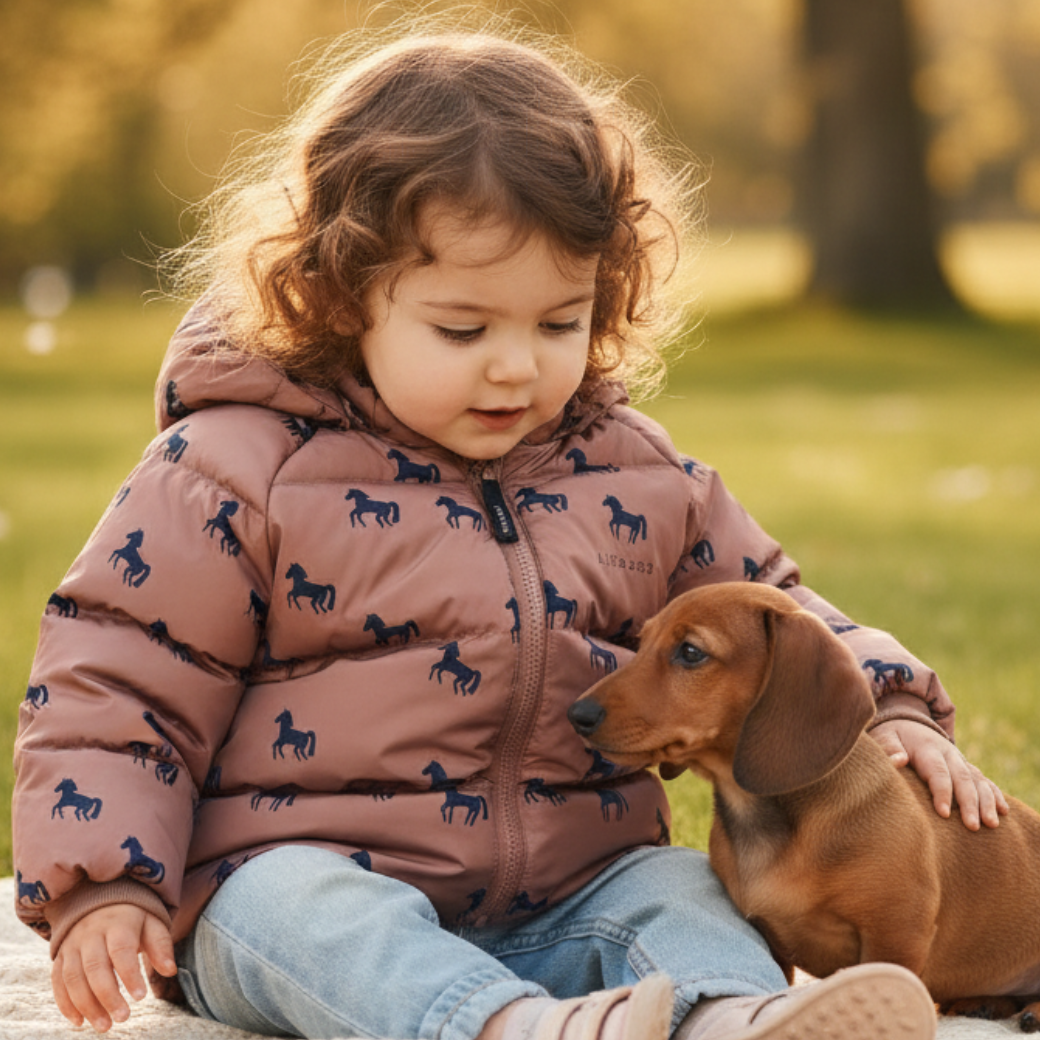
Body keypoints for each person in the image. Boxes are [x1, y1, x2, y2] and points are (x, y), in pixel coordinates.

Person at [13, 20, 1006, 1040]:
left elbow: (773, 611)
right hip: (301, 884)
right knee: (296, 908)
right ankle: (506, 1028)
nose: (515, 367)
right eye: (463, 328)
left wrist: (883, 704)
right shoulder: (233, 470)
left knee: (670, 885)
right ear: (340, 292)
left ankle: (726, 1017)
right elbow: (120, 675)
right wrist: (103, 882)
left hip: (568, 890)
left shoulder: (631, 470)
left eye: (559, 322)